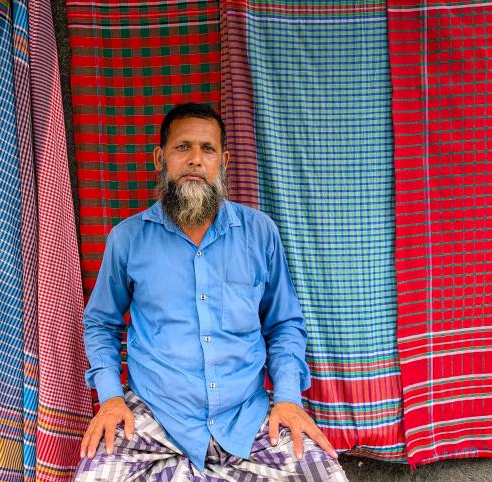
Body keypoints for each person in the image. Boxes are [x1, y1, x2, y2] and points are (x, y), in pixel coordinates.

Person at [73, 103, 348, 481]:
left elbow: (284, 324)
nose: (195, 160)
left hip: (247, 417)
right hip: (153, 418)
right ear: (160, 157)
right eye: (182, 147)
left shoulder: (259, 232)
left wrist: (287, 398)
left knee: (326, 476)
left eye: (207, 149)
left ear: (224, 160)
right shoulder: (128, 239)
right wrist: (110, 398)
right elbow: (100, 323)